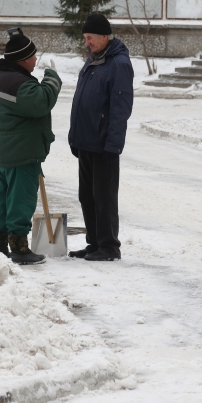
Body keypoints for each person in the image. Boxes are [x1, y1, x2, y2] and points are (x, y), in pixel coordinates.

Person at [0, 28, 62, 265]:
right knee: (21, 200)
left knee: (1, 198)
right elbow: (42, 102)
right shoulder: (19, 84)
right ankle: (19, 246)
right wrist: (52, 77)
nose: (36, 59)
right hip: (21, 153)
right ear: (22, 59)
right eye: (33, 56)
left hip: (1, 151)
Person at [68, 14, 134, 262]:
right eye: (85, 38)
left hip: (103, 144)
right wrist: (74, 137)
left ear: (104, 36)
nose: (87, 42)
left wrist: (113, 145)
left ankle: (109, 246)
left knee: (104, 196)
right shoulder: (94, 61)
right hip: (85, 141)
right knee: (87, 195)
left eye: (90, 38)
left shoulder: (118, 64)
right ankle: (94, 242)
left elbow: (120, 109)